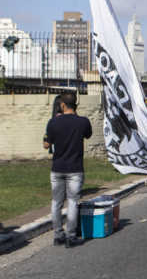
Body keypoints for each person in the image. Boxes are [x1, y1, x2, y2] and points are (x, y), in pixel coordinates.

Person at [43, 92, 92, 248]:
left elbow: (46, 144)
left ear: (62, 105)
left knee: (56, 202)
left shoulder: (53, 122)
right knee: (72, 201)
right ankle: (71, 236)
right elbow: (88, 135)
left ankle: (58, 235)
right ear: (75, 104)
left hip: (57, 168)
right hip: (75, 168)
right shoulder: (83, 122)